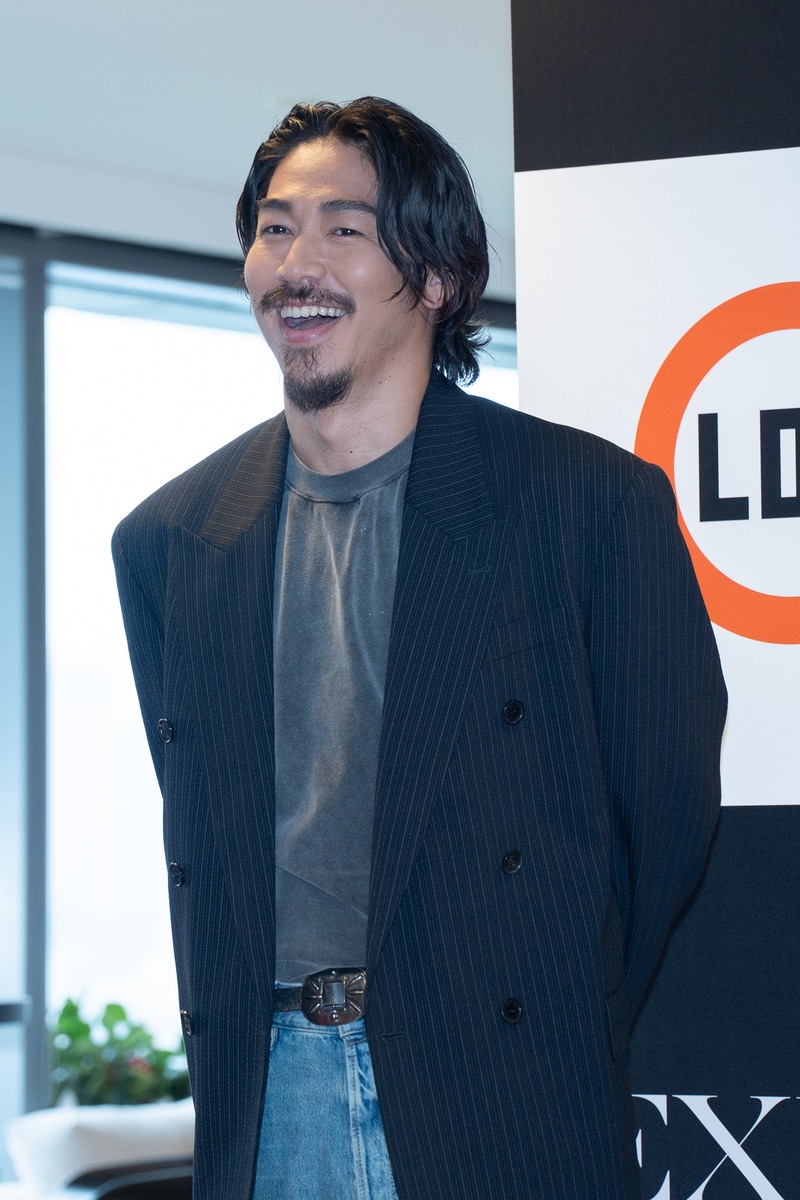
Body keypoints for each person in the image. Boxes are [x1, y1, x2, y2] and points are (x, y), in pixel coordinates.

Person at [113, 97, 727, 1200]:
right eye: (274, 228)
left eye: (344, 229)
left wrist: (538, 1013)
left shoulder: (584, 505)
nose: (297, 263)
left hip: (503, 1087)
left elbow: (664, 819)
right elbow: (205, 821)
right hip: (269, 1099)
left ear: (437, 278)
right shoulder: (171, 540)